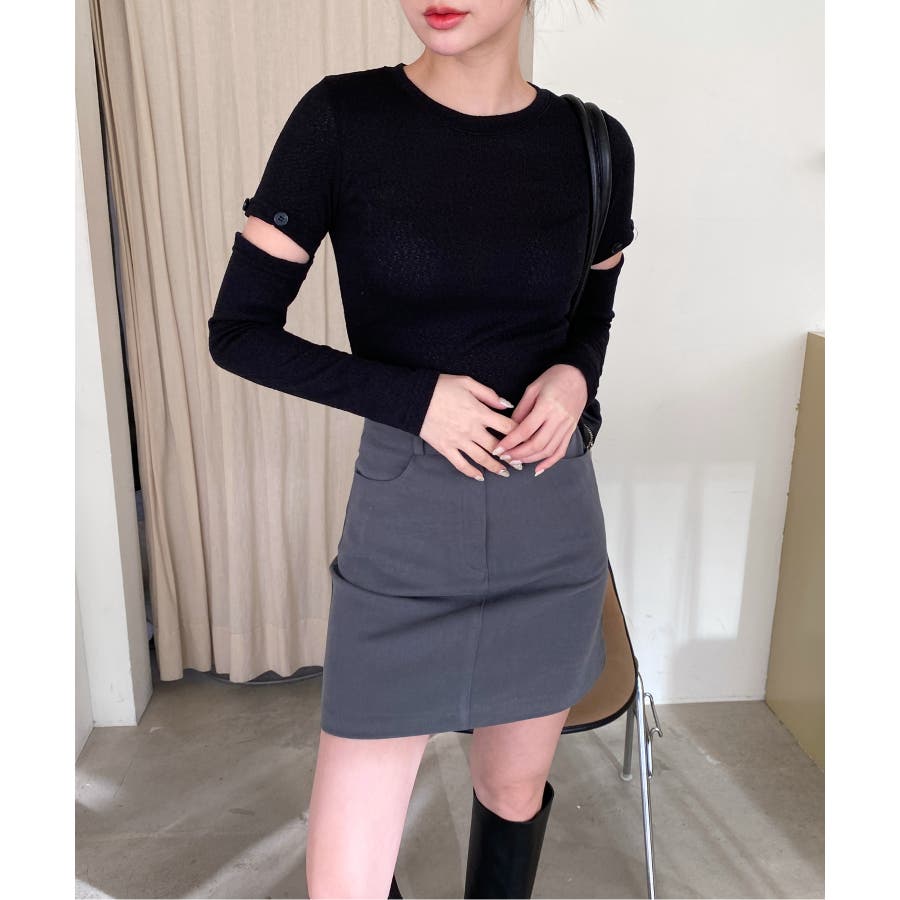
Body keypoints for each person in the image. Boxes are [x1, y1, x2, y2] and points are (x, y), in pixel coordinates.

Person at [207, 1, 635, 896]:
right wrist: (414, 399)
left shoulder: (595, 144)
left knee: (510, 789)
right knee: (345, 879)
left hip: (550, 520)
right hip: (406, 520)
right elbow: (240, 331)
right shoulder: (342, 119)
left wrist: (575, 376)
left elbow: (592, 314)